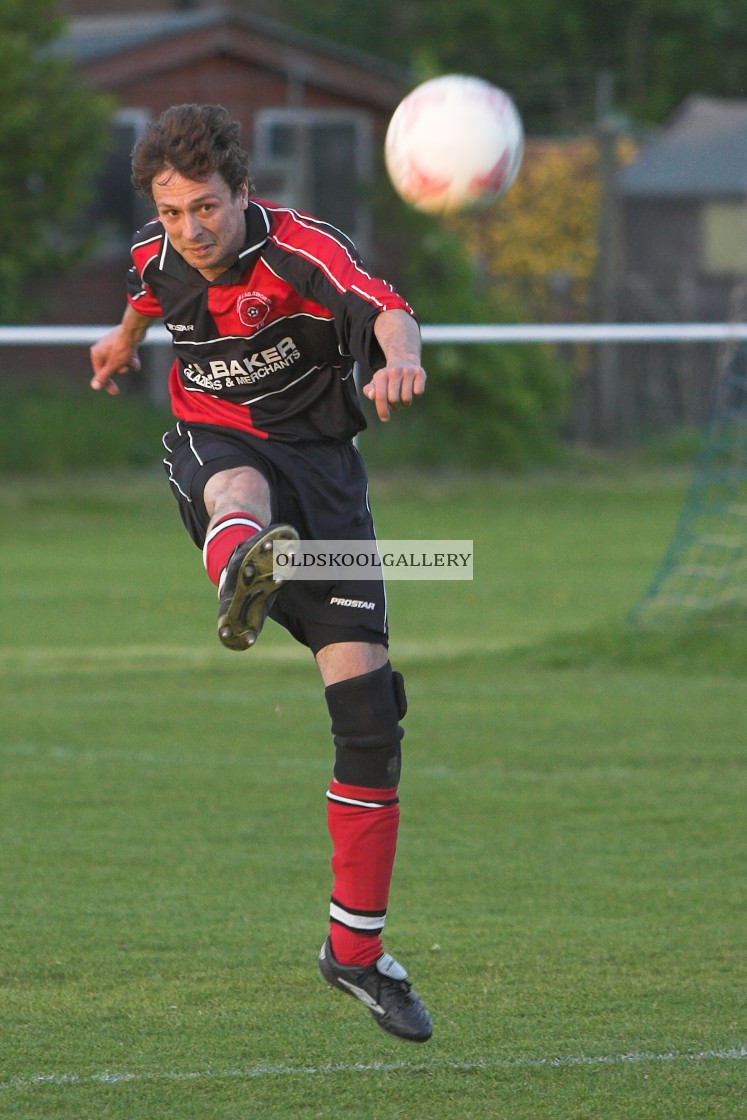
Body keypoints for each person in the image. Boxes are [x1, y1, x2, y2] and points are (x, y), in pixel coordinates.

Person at [89, 103, 432, 1043]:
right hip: (220, 439)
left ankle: (354, 954)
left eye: (207, 207)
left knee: (369, 719)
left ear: (244, 191)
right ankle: (243, 560)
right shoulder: (158, 256)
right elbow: (146, 291)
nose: (192, 231)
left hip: (326, 481)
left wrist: (400, 361)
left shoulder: (300, 251)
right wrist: (122, 342)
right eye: (171, 213)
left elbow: (389, 308)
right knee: (235, 485)